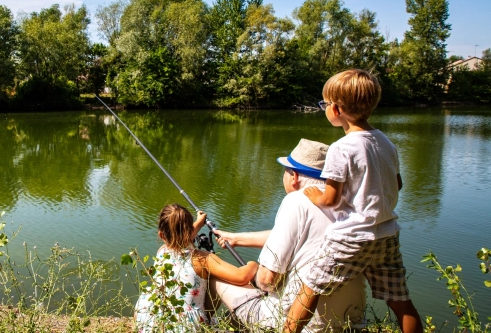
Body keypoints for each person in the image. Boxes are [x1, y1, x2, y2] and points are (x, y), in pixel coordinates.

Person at [285, 69, 421, 333]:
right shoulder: (386, 143)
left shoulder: (341, 148)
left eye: (324, 104)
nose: (324, 109)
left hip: (351, 237)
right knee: (400, 301)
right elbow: (398, 184)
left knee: (309, 291)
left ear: (336, 110)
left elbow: (332, 199)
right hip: (386, 235)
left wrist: (315, 196)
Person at [212, 138, 367, 332]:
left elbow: (267, 281)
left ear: (294, 176)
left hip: (301, 325)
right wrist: (236, 239)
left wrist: (253, 274)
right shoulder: (350, 205)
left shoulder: (295, 201)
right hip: (352, 324)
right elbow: (301, 236)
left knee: (216, 277)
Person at [134, 203, 258, 332]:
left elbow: (180, 238)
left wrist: (199, 222)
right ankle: (208, 321)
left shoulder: (161, 251)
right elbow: (242, 276)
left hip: (151, 320)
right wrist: (254, 264)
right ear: (189, 231)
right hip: (184, 327)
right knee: (215, 278)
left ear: (161, 235)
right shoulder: (202, 259)